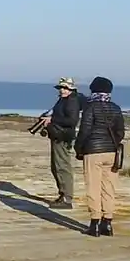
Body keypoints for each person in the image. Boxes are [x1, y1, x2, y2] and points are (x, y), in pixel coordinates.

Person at [75, 77, 125, 237]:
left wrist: (78, 149)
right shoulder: (116, 108)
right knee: (109, 187)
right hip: (111, 152)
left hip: (93, 151)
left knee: (93, 187)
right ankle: (108, 222)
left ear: (93, 90)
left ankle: (95, 223)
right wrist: (112, 143)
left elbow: (84, 131)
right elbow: (120, 132)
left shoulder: (91, 107)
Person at [44, 78, 82, 208]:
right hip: (58, 135)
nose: (62, 90)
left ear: (71, 89)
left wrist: (52, 119)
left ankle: (67, 198)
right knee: (56, 166)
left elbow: (72, 121)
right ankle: (63, 195)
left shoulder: (71, 101)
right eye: (61, 88)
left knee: (62, 166)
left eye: (65, 88)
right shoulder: (64, 100)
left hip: (63, 137)